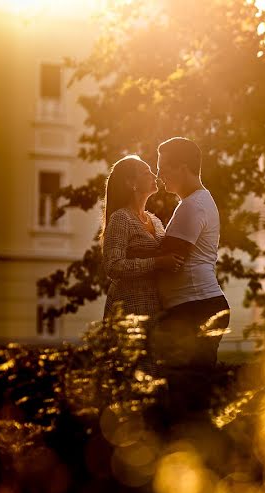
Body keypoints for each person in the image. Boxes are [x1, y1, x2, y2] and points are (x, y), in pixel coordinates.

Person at [152, 137, 230, 375]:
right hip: (192, 306)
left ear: (182, 168)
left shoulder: (193, 206)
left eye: (164, 169)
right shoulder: (193, 202)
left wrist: (131, 247)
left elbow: (168, 260)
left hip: (195, 308)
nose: (159, 175)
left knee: (188, 391)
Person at [101, 155, 183, 373]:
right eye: (146, 173)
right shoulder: (121, 219)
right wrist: (156, 263)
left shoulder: (154, 221)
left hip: (154, 310)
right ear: (131, 183)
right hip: (128, 308)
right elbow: (113, 266)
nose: (154, 176)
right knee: (130, 376)